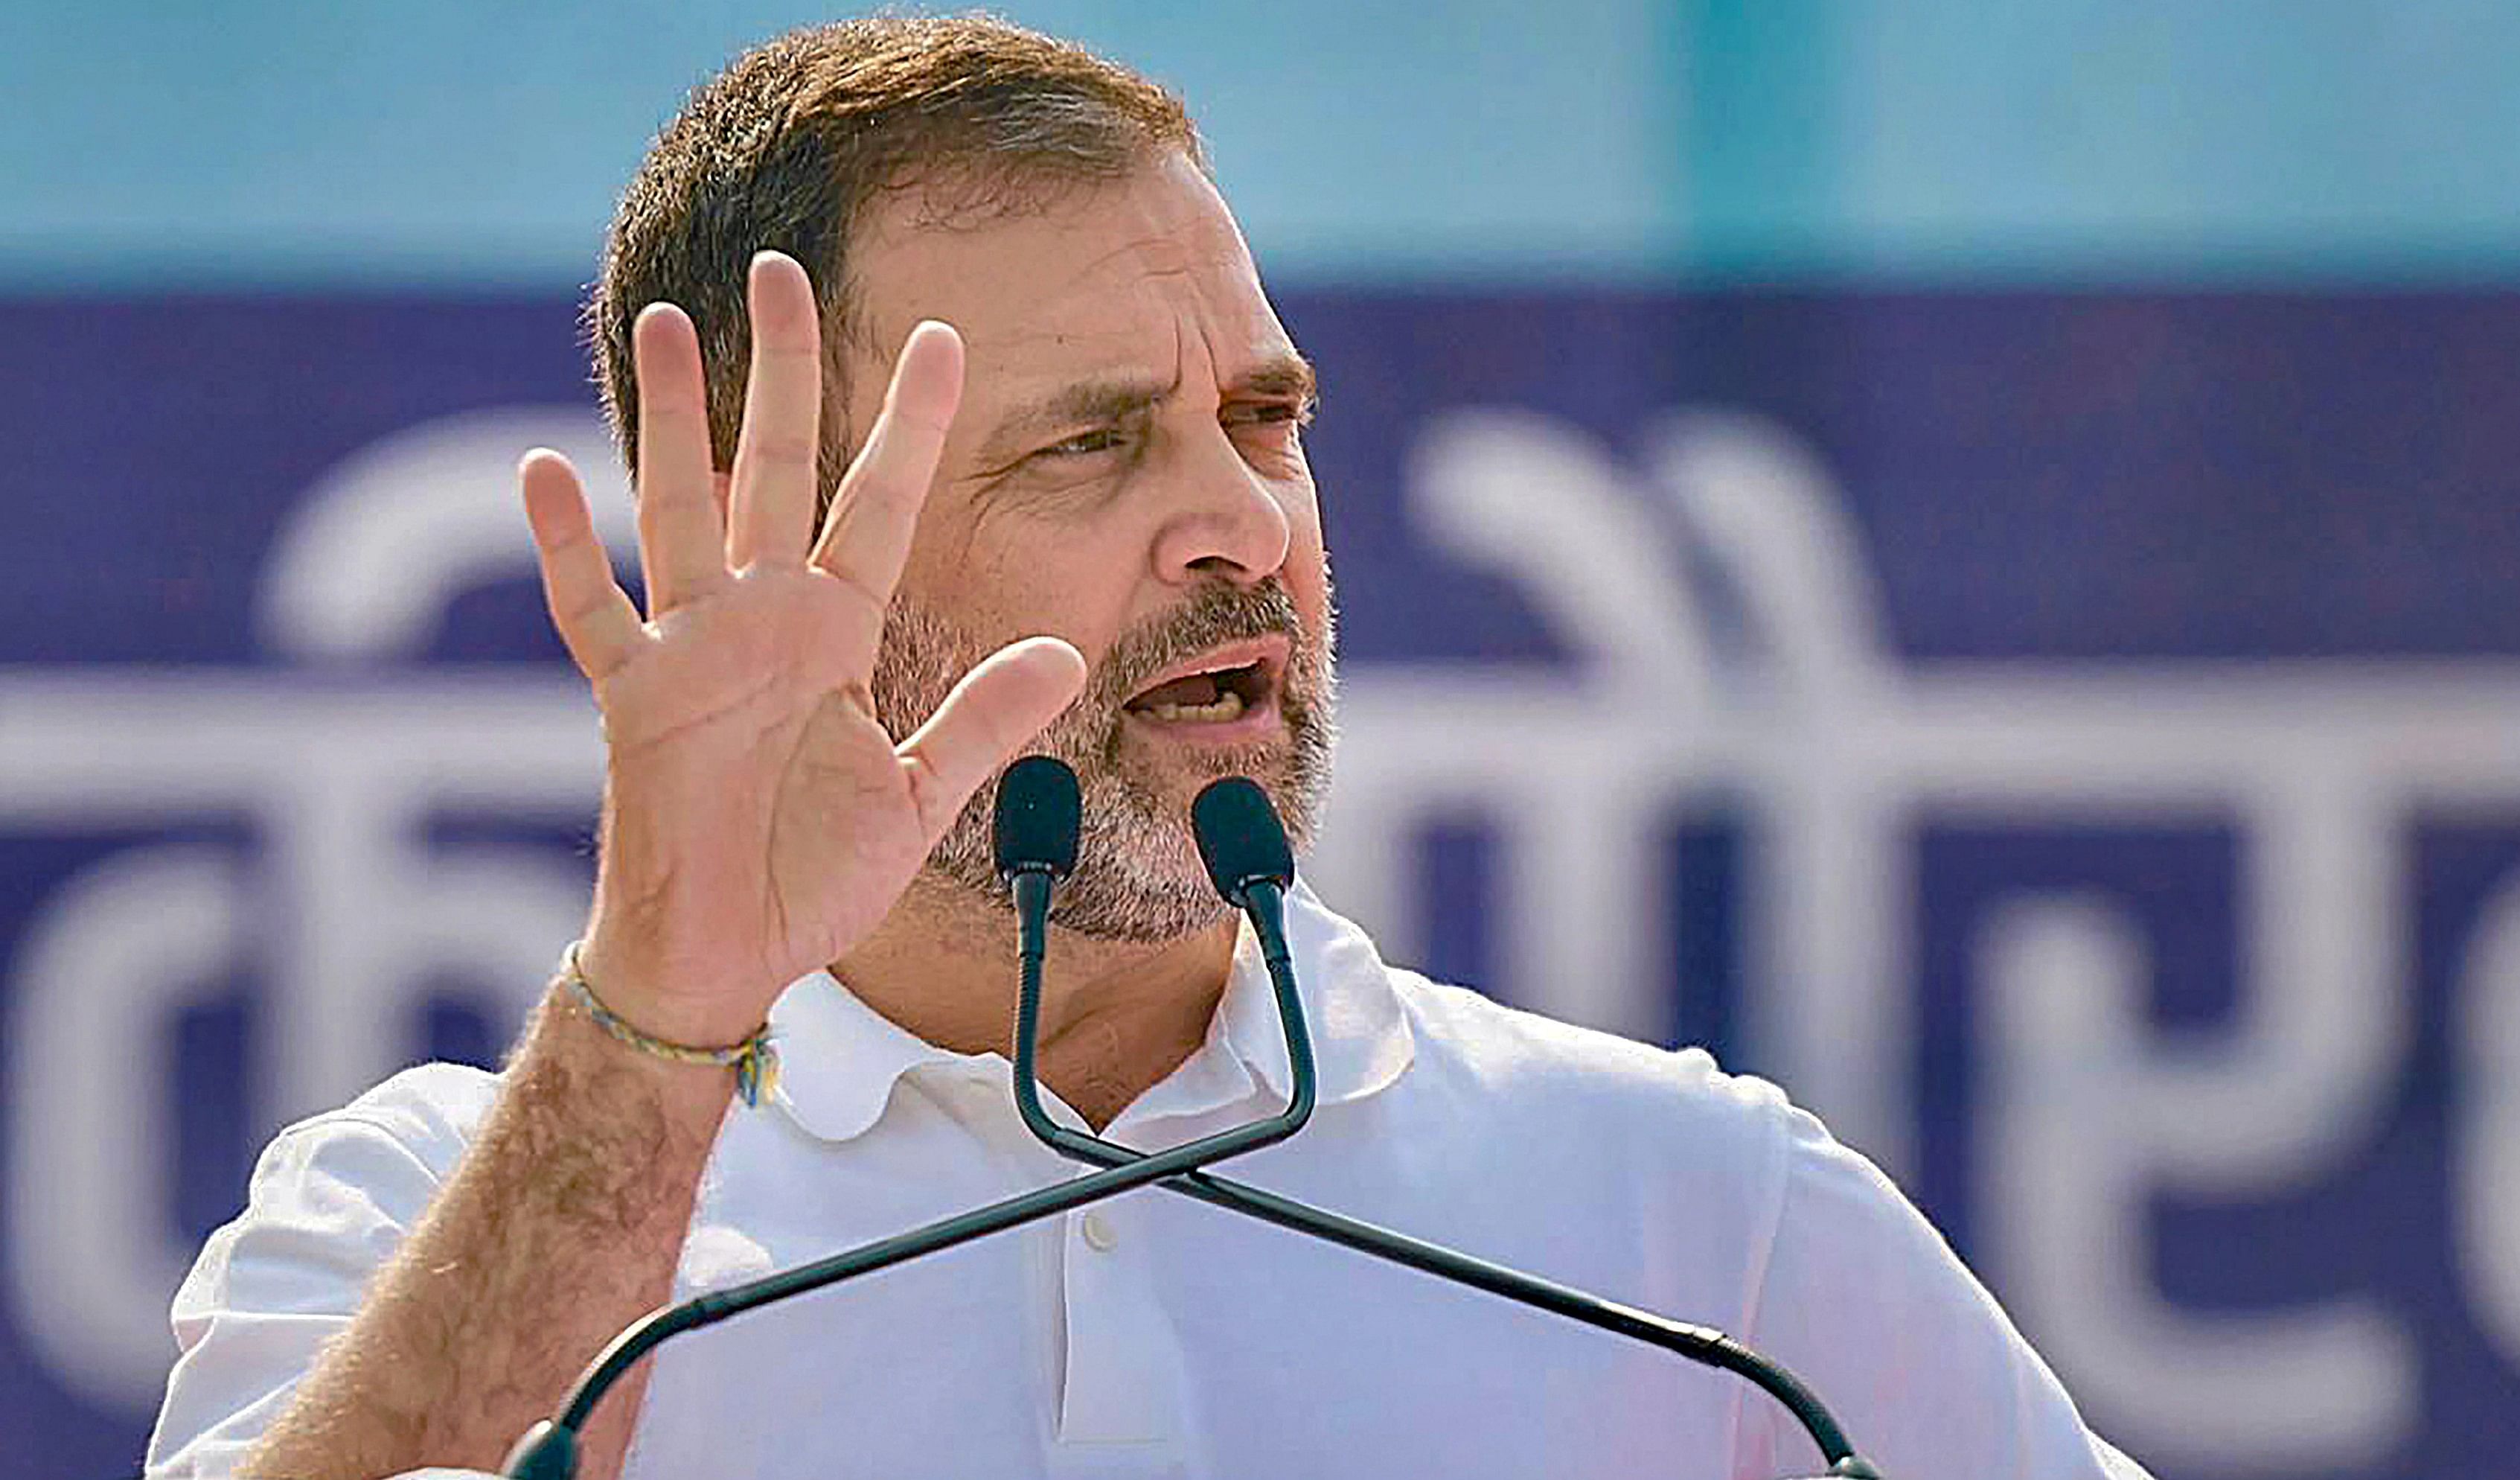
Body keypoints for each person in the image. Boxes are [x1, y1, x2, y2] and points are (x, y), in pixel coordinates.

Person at [145, 16, 2146, 1480]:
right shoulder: (405, 1215)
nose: (1248, 524)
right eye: (1094, 441)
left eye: (1262, 419)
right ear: (778, 540)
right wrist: (662, 1021)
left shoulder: (1692, 1220)